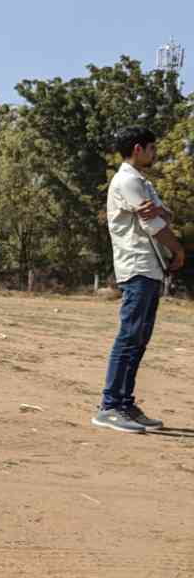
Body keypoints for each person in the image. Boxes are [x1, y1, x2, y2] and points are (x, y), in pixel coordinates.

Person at [93, 125, 186, 433]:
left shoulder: (141, 181)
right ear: (138, 149)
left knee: (139, 338)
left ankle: (124, 404)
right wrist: (179, 250)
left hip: (150, 266)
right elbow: (155, 224)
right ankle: (109, 406)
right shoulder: (127, 180)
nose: (154, 153)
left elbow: (164, 213)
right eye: (151, 148)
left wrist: (160, 211)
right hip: (137, 265)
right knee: (130, 336)